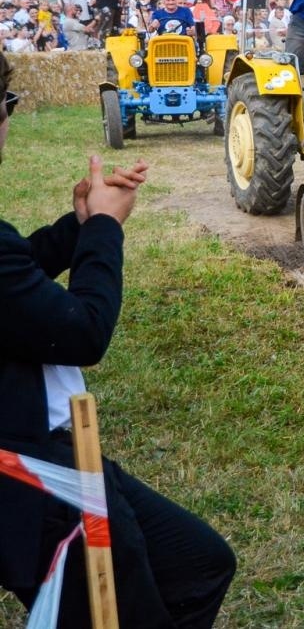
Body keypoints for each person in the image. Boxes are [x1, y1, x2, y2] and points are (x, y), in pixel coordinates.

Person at [0, 55, 236, 626]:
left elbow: (17, 279)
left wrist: (78, 228)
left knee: (201, 564)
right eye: (7, 108)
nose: (9, 122)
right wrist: (105, 230)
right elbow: (83, 332)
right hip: (28, 470)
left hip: (49, 449)